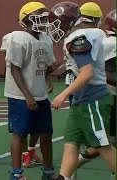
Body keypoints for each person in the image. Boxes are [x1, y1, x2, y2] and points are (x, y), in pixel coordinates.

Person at [48, 2, 116, 179]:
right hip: (82, 99)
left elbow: (87, 73)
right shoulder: (93, 33)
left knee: (102, 144)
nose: (55, 27)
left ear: (67, 21)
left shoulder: (79, 37)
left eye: (56, 22)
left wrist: (63, 94)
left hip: (92, 97)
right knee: (71, 142)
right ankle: (63, 177)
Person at [0, 2, 55, 179]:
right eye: (39, 18)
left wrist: (49, 77)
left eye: (45, 18)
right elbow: (14, 68)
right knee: (20, 133)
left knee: (46, 133)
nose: (43, 22)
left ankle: (48, 171)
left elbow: (45, 67)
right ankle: (16, 174)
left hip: (40, 93)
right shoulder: (17, 38)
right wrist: (27, 95)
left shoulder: (45, 38)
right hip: (20, 96)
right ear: (25, 21)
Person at [71, 8, 117, 180]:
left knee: (107, 142)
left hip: (105, 95)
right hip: (106, 96)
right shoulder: (110, 43)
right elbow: (106, 73)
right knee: (105, 141)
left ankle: (74, 163)